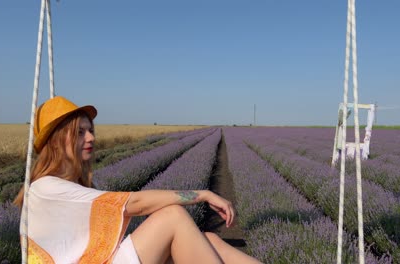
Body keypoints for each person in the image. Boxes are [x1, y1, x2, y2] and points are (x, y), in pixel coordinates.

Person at [14, 96, 261, 264]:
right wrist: (204, 194)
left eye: (90, 130)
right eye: (79, 132)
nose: (90, 138)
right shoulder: (47, 188)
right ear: (57, 139)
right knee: (173, 217)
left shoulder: (69, 186)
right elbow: (137, 204)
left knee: (209, 239)